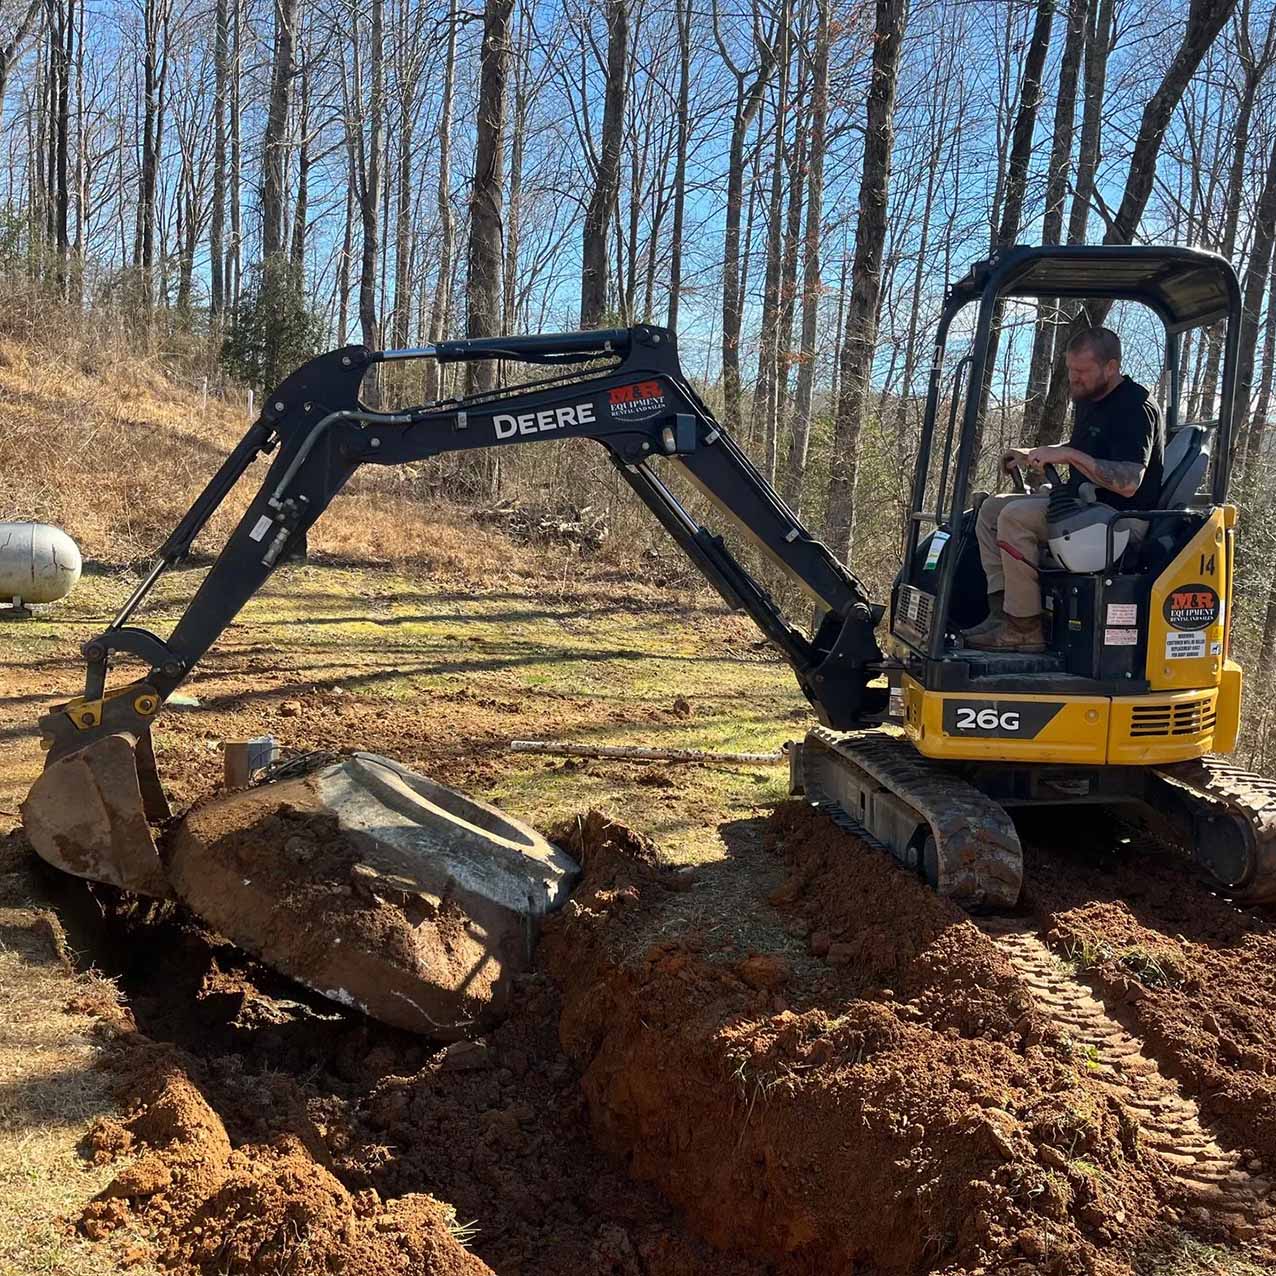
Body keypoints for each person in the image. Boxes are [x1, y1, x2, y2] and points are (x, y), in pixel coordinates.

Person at [963, 326, 1165, 653]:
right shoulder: (1093, 396)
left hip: (1118, 521)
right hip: (1084, 508)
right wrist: (1036, 453)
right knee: (990, 510)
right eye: (1070, 369)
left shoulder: (1135, 407)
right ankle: (1003, 615)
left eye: (1082, 371)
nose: (1074, 378)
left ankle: (1025, 629)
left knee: (1015, 517)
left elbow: (1129, 483)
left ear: (1111, 367)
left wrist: (1067, 455)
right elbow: (1084, 447)